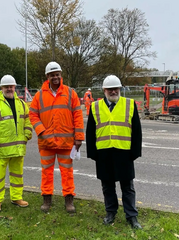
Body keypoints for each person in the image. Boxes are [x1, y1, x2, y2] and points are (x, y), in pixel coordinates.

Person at [85, 75, 143, 229]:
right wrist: (93, 153)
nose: (113, 91)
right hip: (104, 153)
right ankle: (110, 213)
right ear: (104, 90)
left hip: (124, 152)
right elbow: (90, 132)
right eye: (110, 89)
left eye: (116, 88)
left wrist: (135, 152)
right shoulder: (95, 107)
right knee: (107, 186)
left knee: (127, 187)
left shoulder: (129, 104)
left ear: (120, 89)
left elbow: (137, 131)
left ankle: (132, 216)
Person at [29, 61, 84, 213]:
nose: (55, 77)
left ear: (61, 75)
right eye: (52, 75)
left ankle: (69, 201)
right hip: (46, 143)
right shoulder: (39, 95)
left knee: (67, 173)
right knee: (46, 172)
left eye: (57, 75)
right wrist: (41, 131)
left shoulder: (70, 93)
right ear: (47, 76)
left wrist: (79, 137)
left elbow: (78, 115)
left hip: (66, 143)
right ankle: (47, 200)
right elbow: (32, 114)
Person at [0, 75, 33, 213]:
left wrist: (28, 132)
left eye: (11, 86)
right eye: (6, 87)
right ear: (1, 88)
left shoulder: (21, 104)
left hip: (18, 148)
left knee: (17, 175)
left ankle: (16, 197)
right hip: (0, 148)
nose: (9, 89)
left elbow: (28, 120)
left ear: (15, 87)